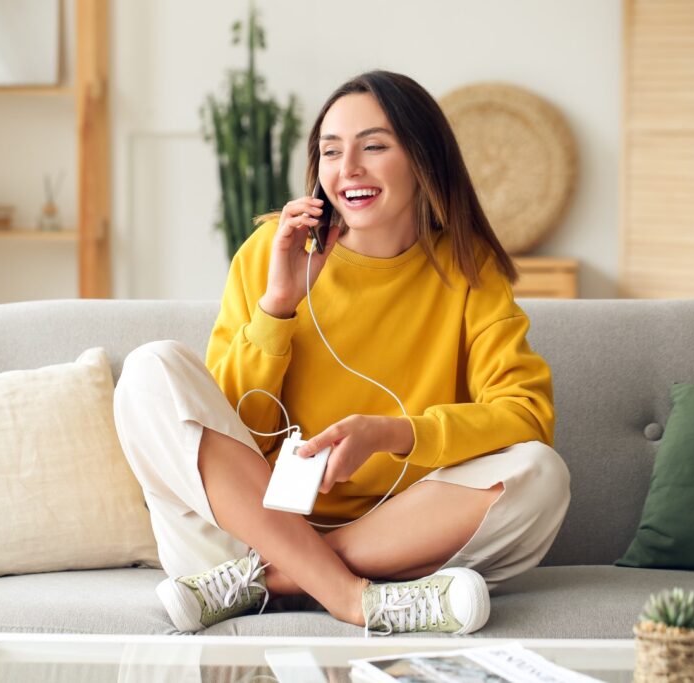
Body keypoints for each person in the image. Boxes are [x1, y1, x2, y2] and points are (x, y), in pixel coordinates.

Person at [113, 70, 570, 636]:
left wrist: (392, 433)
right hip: (239, 537)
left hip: (371, 542)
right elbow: (236, 434)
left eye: (373, 146)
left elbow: (526, 415)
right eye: (331, 151)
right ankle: (350, 598)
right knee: (149, 367)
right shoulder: (270, 251)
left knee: (541, 476)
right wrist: (279, 306)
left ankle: (274, 582)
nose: (347, 168)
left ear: (423, 159)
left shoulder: (467, 268)